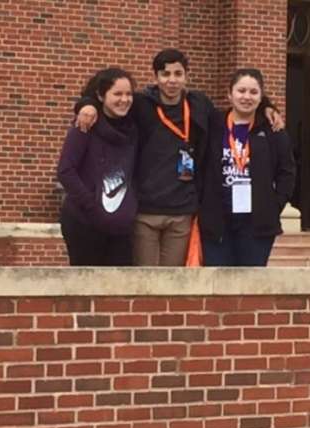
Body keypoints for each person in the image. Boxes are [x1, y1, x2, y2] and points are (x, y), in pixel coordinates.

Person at [75, 49, 284, 266]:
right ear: (155, 77)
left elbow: (241, 105)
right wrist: (86, 104)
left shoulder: (199, 104)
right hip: (146, 209)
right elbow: (108, 97)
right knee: (146, 279)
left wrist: (268, 107)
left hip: (182, 210)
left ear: (186, 76)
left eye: (178, 74)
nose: (172, 80)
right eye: (165, 74)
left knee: (174, 281)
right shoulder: (140, 104)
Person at [198, 68, 296, 266]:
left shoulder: (272, 130)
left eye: (253, 92)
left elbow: (287, 172)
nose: (246, 97)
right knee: (218, 284)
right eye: (241, 91)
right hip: (217, 221)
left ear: (261, 97)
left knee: (251, 286)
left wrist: (274, 204)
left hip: (256, 224)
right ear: (229, 94)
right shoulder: (213, 125)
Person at [57, 67, 138, 266]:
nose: (124, 99)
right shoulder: (85, 126)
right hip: (84, 222)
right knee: (86, 288)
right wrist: (91, 205)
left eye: (129, 94)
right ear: (101, 96)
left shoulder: (134, 129)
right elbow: (65, 171)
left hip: (120, 226)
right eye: (117, 94)